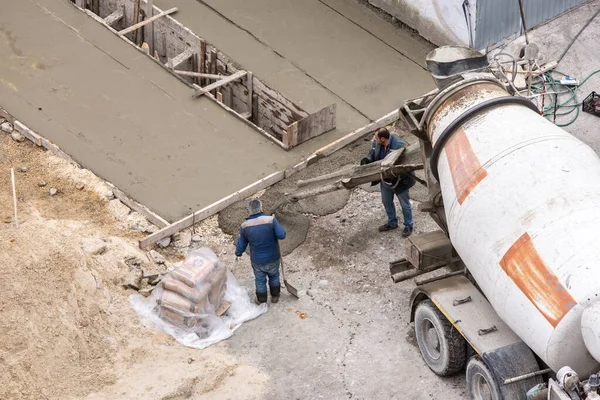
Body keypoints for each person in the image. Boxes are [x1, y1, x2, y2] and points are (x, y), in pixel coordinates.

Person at [360, 127, 415, 237]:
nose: (375, 140)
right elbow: (373, 152)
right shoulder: (378, 143)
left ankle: (408, 225)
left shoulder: (400, 145)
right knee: (386, 202)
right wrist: (367, 159)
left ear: (383, 139)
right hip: (385, 181)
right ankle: (392, 222)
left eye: (376, 138)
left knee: (405, 204)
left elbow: (409, 163)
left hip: (400, 181)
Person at [235, 199, 286, 304]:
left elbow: (241, 244)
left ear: (249, 211)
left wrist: (238, 253)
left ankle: (261, 300)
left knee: (259, 280)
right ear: (261, 208)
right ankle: (275, 296)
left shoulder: (244, 226)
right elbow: (282, 235)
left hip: (257, 260)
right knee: (274, 275)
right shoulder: (271, 220)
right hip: (273, 257)